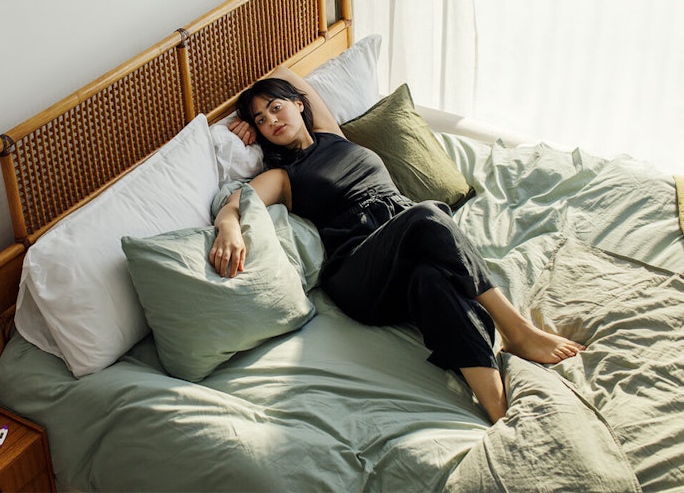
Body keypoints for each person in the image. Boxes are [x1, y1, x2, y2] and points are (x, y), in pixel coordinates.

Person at [209, 66, 585, 423]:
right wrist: (229, 226)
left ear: (299, 104)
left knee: (431, 281)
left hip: (408, 249)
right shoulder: (283, 176)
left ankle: (497, 407)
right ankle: (517, 330)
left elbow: (285, 75)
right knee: (427, 216)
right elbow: (235, 205)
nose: (272, 120)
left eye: (276, 108)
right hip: (359, 271)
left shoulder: (331, 133)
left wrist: (247, 106)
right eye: (261, 120)